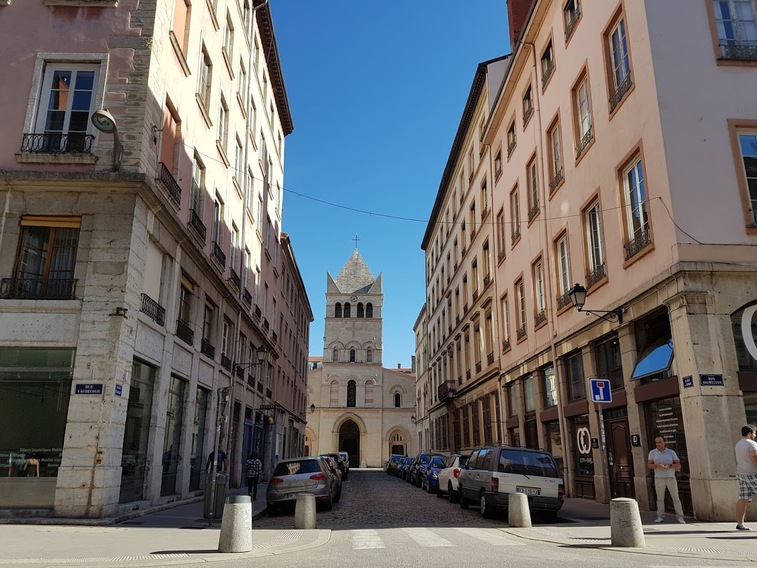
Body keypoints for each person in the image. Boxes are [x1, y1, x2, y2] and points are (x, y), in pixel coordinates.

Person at [647, 436, 685, 524]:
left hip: (670, 477)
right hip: (658, 478)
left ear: (664, 442)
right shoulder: (652, 453)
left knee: (675, 498)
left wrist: (669, 466)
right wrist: (657, 466)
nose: (658, 444)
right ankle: (660, 516)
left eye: (660, 442)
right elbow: (649, 465)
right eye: (656, 442)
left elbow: (678, 464)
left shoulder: (671, 452)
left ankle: (680, 517)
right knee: (660, 498)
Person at [735, 424, 757, 530]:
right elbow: (754, 458)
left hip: (741, 473)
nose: (755, 435)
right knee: (743, 499)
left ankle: (740, 523)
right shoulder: (752, 444)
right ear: (749, 434)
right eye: (754, 433)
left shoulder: (738, 444)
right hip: (753, 474)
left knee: (743, 498)